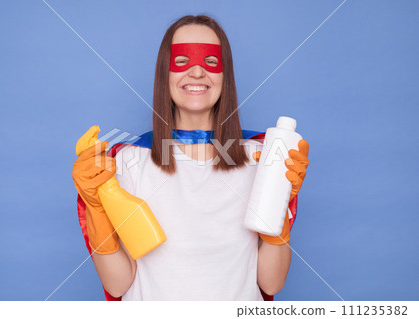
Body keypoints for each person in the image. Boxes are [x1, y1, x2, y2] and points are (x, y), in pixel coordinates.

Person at [72, 15, 309, 301]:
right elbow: (117, 285)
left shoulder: (261, 158)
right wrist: (97, 208)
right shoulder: (127, 161)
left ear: (225, 75)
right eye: (182, 61)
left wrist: (278, 205)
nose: (197, 73)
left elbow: (270, 284)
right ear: (165, 74)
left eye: (210, 62)